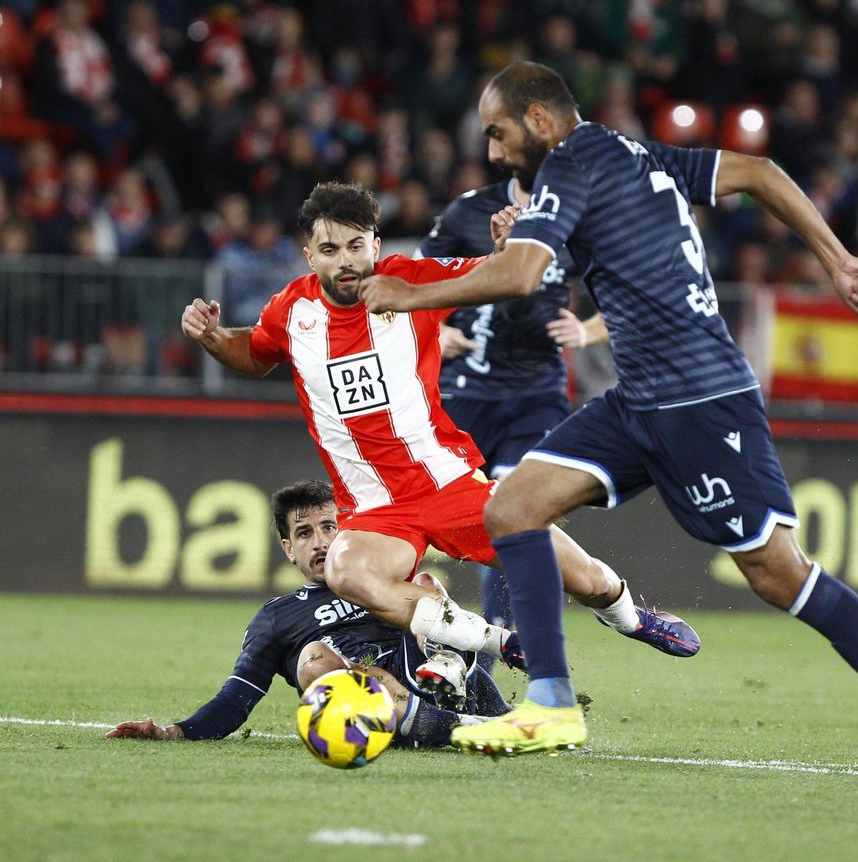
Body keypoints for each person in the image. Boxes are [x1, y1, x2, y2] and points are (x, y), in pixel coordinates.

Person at [362, 61, 858, 792]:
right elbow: (758, 172)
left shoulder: (574, 162)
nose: (492, 152)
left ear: (541, 121)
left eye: (498, 132)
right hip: (640, 398)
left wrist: (410, 293)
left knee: (778, 577)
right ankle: (550, 702)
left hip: (702, 402)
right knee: (513, 505)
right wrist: (835, 260)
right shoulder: (628, 154)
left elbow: (521, 278)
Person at [180, 181, 699, 685]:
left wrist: (504, 250)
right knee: (346, 571)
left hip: (447, 484)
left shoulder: (412, 281)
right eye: (330, 248)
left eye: (357, 246)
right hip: (373, 510)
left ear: (375, 246)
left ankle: (631, 618)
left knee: (584, 579)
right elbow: (252, 354)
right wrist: (212, 338)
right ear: (309, 255)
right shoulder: (291, 311)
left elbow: (494, 277)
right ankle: (499, 643)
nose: (346, 261)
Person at [106, 479, 507, 747]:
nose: (320, 543)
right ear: (287, 548)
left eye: (329, 527)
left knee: (423, 584)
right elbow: (235, 700)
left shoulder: (379, 578)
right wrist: (173, 732)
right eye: (304, 533)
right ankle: (464, 729)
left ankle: (460, 681)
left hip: (449, 683)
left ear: (346, 528)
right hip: (387, 717)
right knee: (313, 659)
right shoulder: (278, 617)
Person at [418, 177, 606, 668]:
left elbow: (630, 296)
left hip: (536, 397)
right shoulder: (469, 210)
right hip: (464, 393)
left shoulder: (577, 209)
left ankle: (489, 651)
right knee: (428, 509)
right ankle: (418, 641)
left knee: (514, 508)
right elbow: (411, 278)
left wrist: (586, 330)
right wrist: (436, 327)